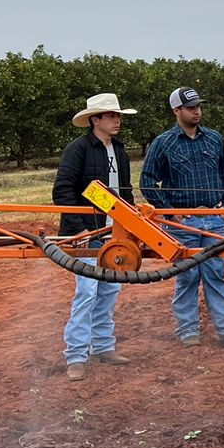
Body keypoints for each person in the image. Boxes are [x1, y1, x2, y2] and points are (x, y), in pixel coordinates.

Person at [140, 87, 224, 350]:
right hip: (183, 221)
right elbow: (147, 181)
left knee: (216, 273)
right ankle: (187, 330)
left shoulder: (213, 139)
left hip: (213, 217)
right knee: (186, 276)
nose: (197, 111)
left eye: (198, 106)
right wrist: (170, 210)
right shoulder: (163, 143)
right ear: (176, 110)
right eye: (190, 108)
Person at [54, 92, 138, 381]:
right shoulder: (77, 149)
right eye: (112, 116)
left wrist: (133, 224)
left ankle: (103, 346)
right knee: (87, 293)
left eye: (118, 116)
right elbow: (63, 190)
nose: (117, 121)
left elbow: (125, 192)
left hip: (115, 230)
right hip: (87, 233)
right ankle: (76, 356)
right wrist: (79, 228)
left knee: (110, 289)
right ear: (95, 120)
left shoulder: (120, 150)